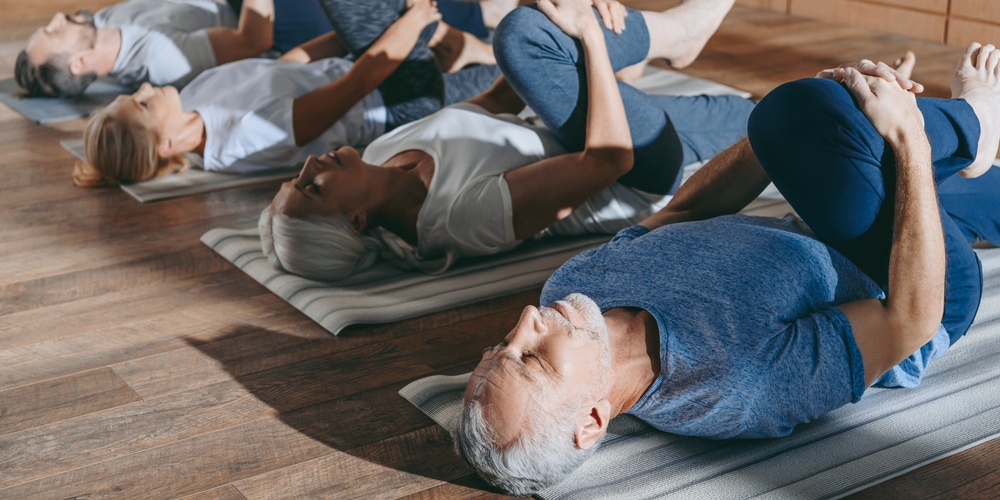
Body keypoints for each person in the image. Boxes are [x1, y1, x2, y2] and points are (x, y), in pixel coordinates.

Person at [452, 40, 1000, 495]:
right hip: (919, 284)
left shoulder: (574, 288)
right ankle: (973, 124)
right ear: (592, 420)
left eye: (503, 343)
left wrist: (771, 144)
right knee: (807, 114)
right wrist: (909, 139)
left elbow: (686, 210)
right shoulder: (736, 387)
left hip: (828, 216)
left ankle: (962, 153)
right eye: (533, 360)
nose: (527, 318)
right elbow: (910, 320)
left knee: (800, 121)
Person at [259, 0, 753, 280]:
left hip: (578, 125)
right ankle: (676, 37)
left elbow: (497, 101)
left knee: (764, 119)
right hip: (638, 169)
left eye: (297, 178)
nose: (309, 167)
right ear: (357, 220)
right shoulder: (459, 219)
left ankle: (671, 39)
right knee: (521, 37)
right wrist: (589, 38)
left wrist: (543, 22)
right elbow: (609, 161)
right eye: (313, 188)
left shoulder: (379, 154)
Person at [73, 0, 502, 187]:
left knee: (499, 67)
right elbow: (355, 88)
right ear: (166, 144)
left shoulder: (194, 97)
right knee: (507, 77)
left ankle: (464, 47)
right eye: (143, 102)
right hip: (397, 98)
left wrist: (360, 31)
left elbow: (287, 65)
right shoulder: (244, 138)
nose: (145, 87)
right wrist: (409, 26)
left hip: (369, 65)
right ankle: (459, 44)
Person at [16, 0, 276, 97]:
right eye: (54, 31)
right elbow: (254, 40)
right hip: (265, 14)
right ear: (79, 62)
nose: (58, 17)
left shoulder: (104, 21)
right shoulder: (160, 60)